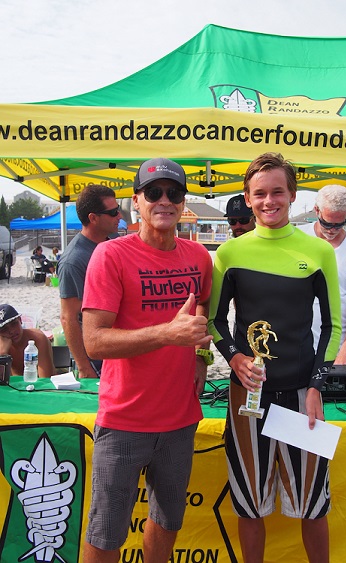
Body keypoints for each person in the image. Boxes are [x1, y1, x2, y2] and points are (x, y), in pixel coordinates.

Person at [208, 152, 341, 563]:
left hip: (303, 395)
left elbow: (333, 326)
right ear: (248, 198)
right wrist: (233, 359)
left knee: (312, 503)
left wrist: (317, 385)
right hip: (247, 397)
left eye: (277, 192)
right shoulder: (228, 254)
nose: (269, 201)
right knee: (249, 500)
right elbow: (214, 321)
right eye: (260, 193)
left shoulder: (319, 253)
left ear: (293, 195)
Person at [81, 158, 213, 563]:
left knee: (168, 521)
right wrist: (165, 334)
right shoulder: (110, 256)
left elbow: (202, 316)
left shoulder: (200, 258)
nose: (164, 200)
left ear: (183, 201)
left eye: (173, 193)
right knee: (105, 534)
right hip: (125, 420)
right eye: (153, 192)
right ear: (135, 201)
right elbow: (94, 342)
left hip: (179, 419)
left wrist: (201, 361)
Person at [298, 184, 346, 366]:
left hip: (334, 350)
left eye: (339, 224)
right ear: (317, 211)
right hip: (295, 346)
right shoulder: (297, 238)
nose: (331, 229)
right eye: (327, 223)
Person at [57, 185, 122, 378]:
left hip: (120, 349)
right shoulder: (73, 261)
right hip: (96, 360)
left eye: (118, 209)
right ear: (93, 218)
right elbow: (68, 318)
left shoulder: (113, 241)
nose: (119, 216)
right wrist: (85, 368)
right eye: (113, 212)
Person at [0, 303, 55, 377]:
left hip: (38, 384)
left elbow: (46, 378)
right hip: (14, 386)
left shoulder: (37, 338)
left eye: (14, 324)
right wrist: (2, 354)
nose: (11, 331)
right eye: (4, 329)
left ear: (20, 320)